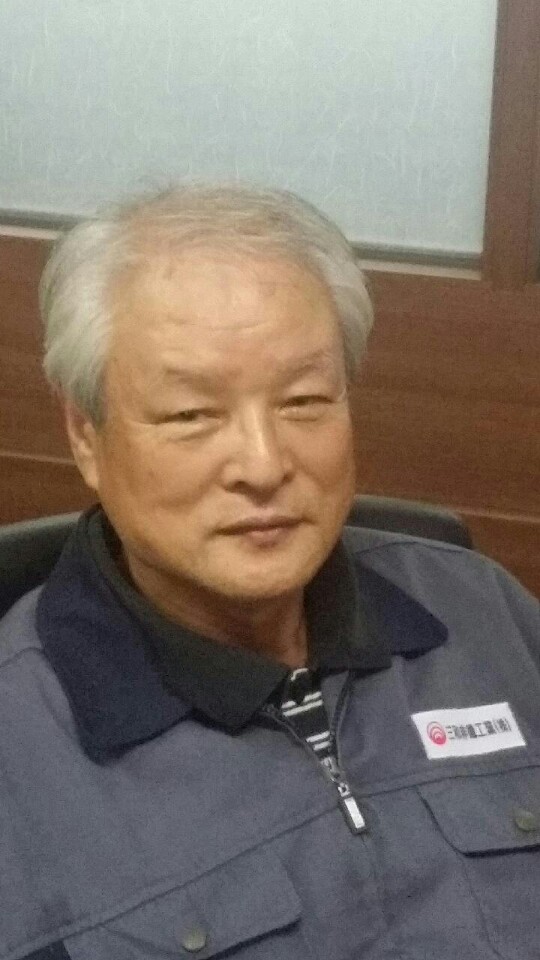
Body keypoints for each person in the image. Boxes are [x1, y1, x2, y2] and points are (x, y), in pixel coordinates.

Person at [1, 183, 539, 960]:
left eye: (304, 401)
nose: (263, 465)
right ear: (86, 435)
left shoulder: (483, 609)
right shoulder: (20, 741)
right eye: (192, 415)